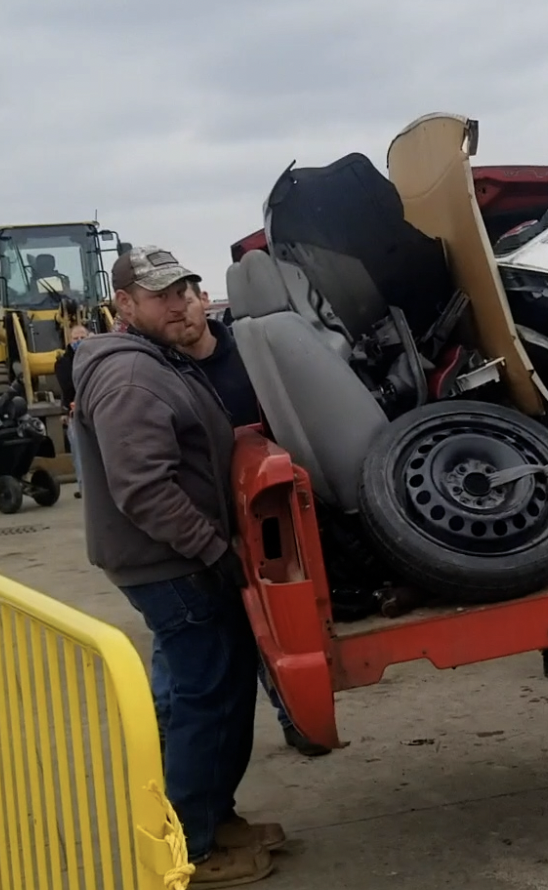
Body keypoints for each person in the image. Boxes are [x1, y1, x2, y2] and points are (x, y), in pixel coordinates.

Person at [72, 246, 280, 886]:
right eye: (161, 294)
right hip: (171, 566)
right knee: (205, 703)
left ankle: (215, 816)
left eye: (185, 288)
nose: (179, 301)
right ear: (125, 305)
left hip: (176, 560)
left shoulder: (155, 359)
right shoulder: (131, 377)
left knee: (217, 692)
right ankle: (192, 846)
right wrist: (217, 551)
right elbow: (144, 490)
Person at [150, 286, 331, 758]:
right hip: (200, 521)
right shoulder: (160, 371)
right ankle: (166, 726)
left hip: (263, 514)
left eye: (184, 297)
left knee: (270, 622)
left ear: (203, 299)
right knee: (186, 632)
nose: (180, 311)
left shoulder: (250, 359)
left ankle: (295, 717)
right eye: (165, 302)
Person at [54, 324, 89, 499]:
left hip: (96, 409)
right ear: (69, 341)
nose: (79, 341)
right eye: (75, 339)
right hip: (75, 412)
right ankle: (84, 488)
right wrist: (64, 410)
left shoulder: (96, 356)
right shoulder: (64, 362)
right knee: (79, 452)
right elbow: (66, 388)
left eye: (82, 337)